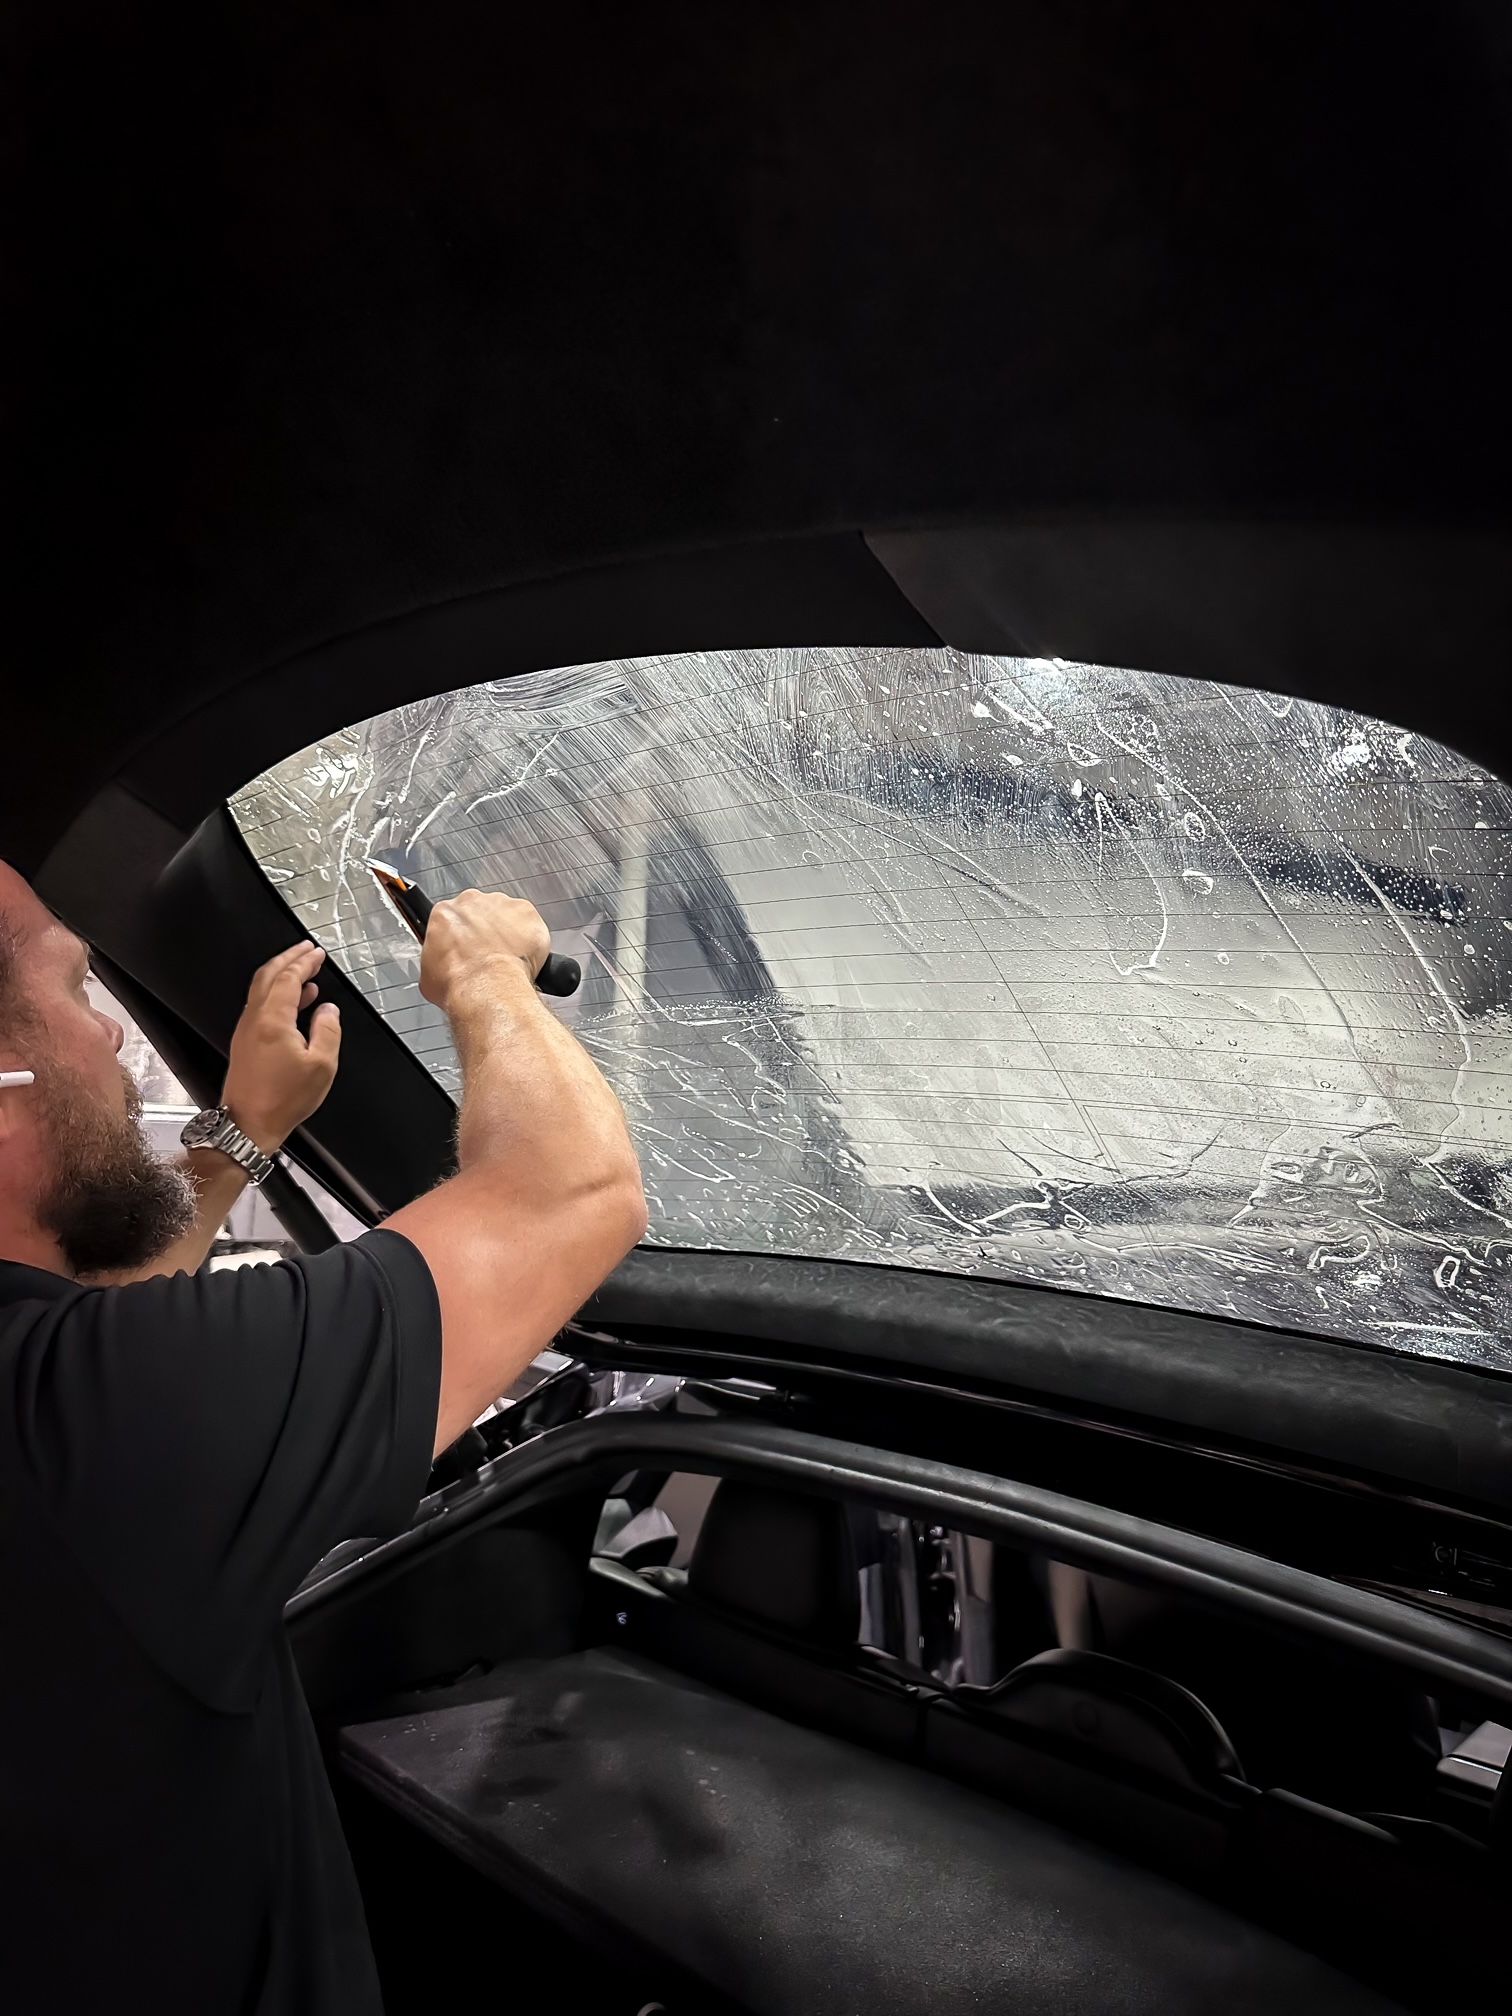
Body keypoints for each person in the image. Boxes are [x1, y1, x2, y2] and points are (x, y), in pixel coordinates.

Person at [0, 859, 646, 2013]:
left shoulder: (66, 1414)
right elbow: (574, 1190)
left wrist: (245, 1131)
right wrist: (486, 975)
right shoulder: (77, 1424)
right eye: (72, 990)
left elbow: (112, 1353)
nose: (106, 1037)